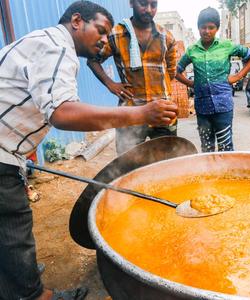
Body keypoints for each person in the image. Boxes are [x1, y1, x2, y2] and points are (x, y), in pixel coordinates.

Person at [0, 1, 177, 300]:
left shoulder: (42, 41)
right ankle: (34, 295)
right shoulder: (57, 46)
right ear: (77, 21)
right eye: (101, 31)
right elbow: (63, 113)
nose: (104, 40)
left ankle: (15, 281)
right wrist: (141, 114)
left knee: (5, 231)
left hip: (7, 151)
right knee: (14, 226)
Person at [88, 0, 177, 155]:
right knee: (127, 163)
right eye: (143, 3)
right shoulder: (116, 35)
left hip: (163, 112)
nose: (148, 9)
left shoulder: (166, 37)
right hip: (130, 113)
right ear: (131, 3)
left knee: (167, 162)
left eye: (153, 5)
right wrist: (110, 84)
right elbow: (93, 60)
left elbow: (171, 72)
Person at [176, 7, 250, 153]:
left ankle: (227, 174)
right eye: (203, 27)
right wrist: (191, 84)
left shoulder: (226, 46)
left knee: (226, 146)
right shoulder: (192, 50)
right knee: (206, 147)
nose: (207, 31)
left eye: (211, 27)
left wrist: (239, 76)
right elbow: (176, 71)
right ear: (198, 28)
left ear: (217, 28)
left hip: (223, 106)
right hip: (202, 107)